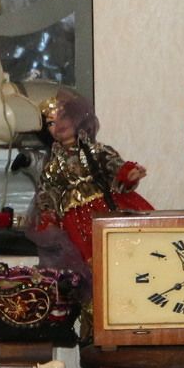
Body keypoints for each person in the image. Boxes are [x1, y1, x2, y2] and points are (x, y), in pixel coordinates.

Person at [31, 91, 151, 265]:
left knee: (128, 251)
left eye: (63, 117)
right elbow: (46, 194)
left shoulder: (96, 151)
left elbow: (114, 165)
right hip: (75, 223)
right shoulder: (52, 168)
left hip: (107, 209)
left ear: (76, 119)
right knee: (92, 261)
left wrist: (128, 174)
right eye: (51, 123)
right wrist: (49, 219)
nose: (59, 124)